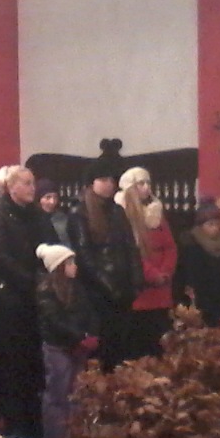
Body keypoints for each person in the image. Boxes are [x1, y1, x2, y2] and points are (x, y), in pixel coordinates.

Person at [0, 165, 55, 438]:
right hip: (11, 300)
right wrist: (30, 280)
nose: (31, 188)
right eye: (25, 183)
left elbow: (52, 246)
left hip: (37, 298)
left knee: (34, 365)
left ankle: (35, 423)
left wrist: (48, 276)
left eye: (32, 182)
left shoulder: (37, 215)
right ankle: (15, 424)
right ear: (11, 187)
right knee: (13, 365)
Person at [68, 158, 142, 371]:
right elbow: (85, 257)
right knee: (102, 348)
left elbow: (130, 246)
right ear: (91, 183)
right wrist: (108, 286)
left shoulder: (117, 210)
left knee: (122, 346)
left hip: (123, 289)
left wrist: (136, 279)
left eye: (111, 179)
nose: (109, 183)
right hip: (97, 294)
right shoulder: (80, 213)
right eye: (103, 179)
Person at [35, 245, 100, 438]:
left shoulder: (77, 288)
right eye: (70, 262)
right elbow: (55, 321)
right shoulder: (46, 291)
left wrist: (91, 334)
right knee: (58, 393)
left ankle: (74, 436)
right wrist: (79, 336)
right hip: (58, 347)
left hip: (77, 346)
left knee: (77, 393)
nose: (75, 266)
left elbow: (89, 313)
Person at [116, 167, 178, 361]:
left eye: (148, 183)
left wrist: (166, 271)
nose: (146, 187)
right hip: (141, 291)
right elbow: (130, 252)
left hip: (162, 287)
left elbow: (170, 246)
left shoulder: (156, 212)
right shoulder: (123, 215)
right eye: (140, 183)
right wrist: (152, 274)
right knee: (140, 346)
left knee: (161, 345)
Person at [179, 197, 220, 326]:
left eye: (217, 223)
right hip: (203, 301)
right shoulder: (193, 245)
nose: (215, 228)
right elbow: (191, 276)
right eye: (210, 224)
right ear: (201, 226)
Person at [37, 179, 71, 246]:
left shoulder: (62, 219)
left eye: (55, 197)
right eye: (48, 197)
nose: (52, 202)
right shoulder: (32, 220)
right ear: (39, 199)